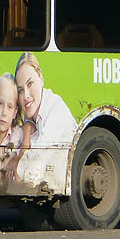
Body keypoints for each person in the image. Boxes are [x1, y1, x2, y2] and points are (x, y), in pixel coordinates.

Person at [14, 51, 77, 186]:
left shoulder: (56, 109)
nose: (26, 96)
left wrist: (17, 163)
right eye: (20, 90)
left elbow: (33, 174)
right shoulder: (30, 118)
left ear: (41, 79)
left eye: (30, 84)